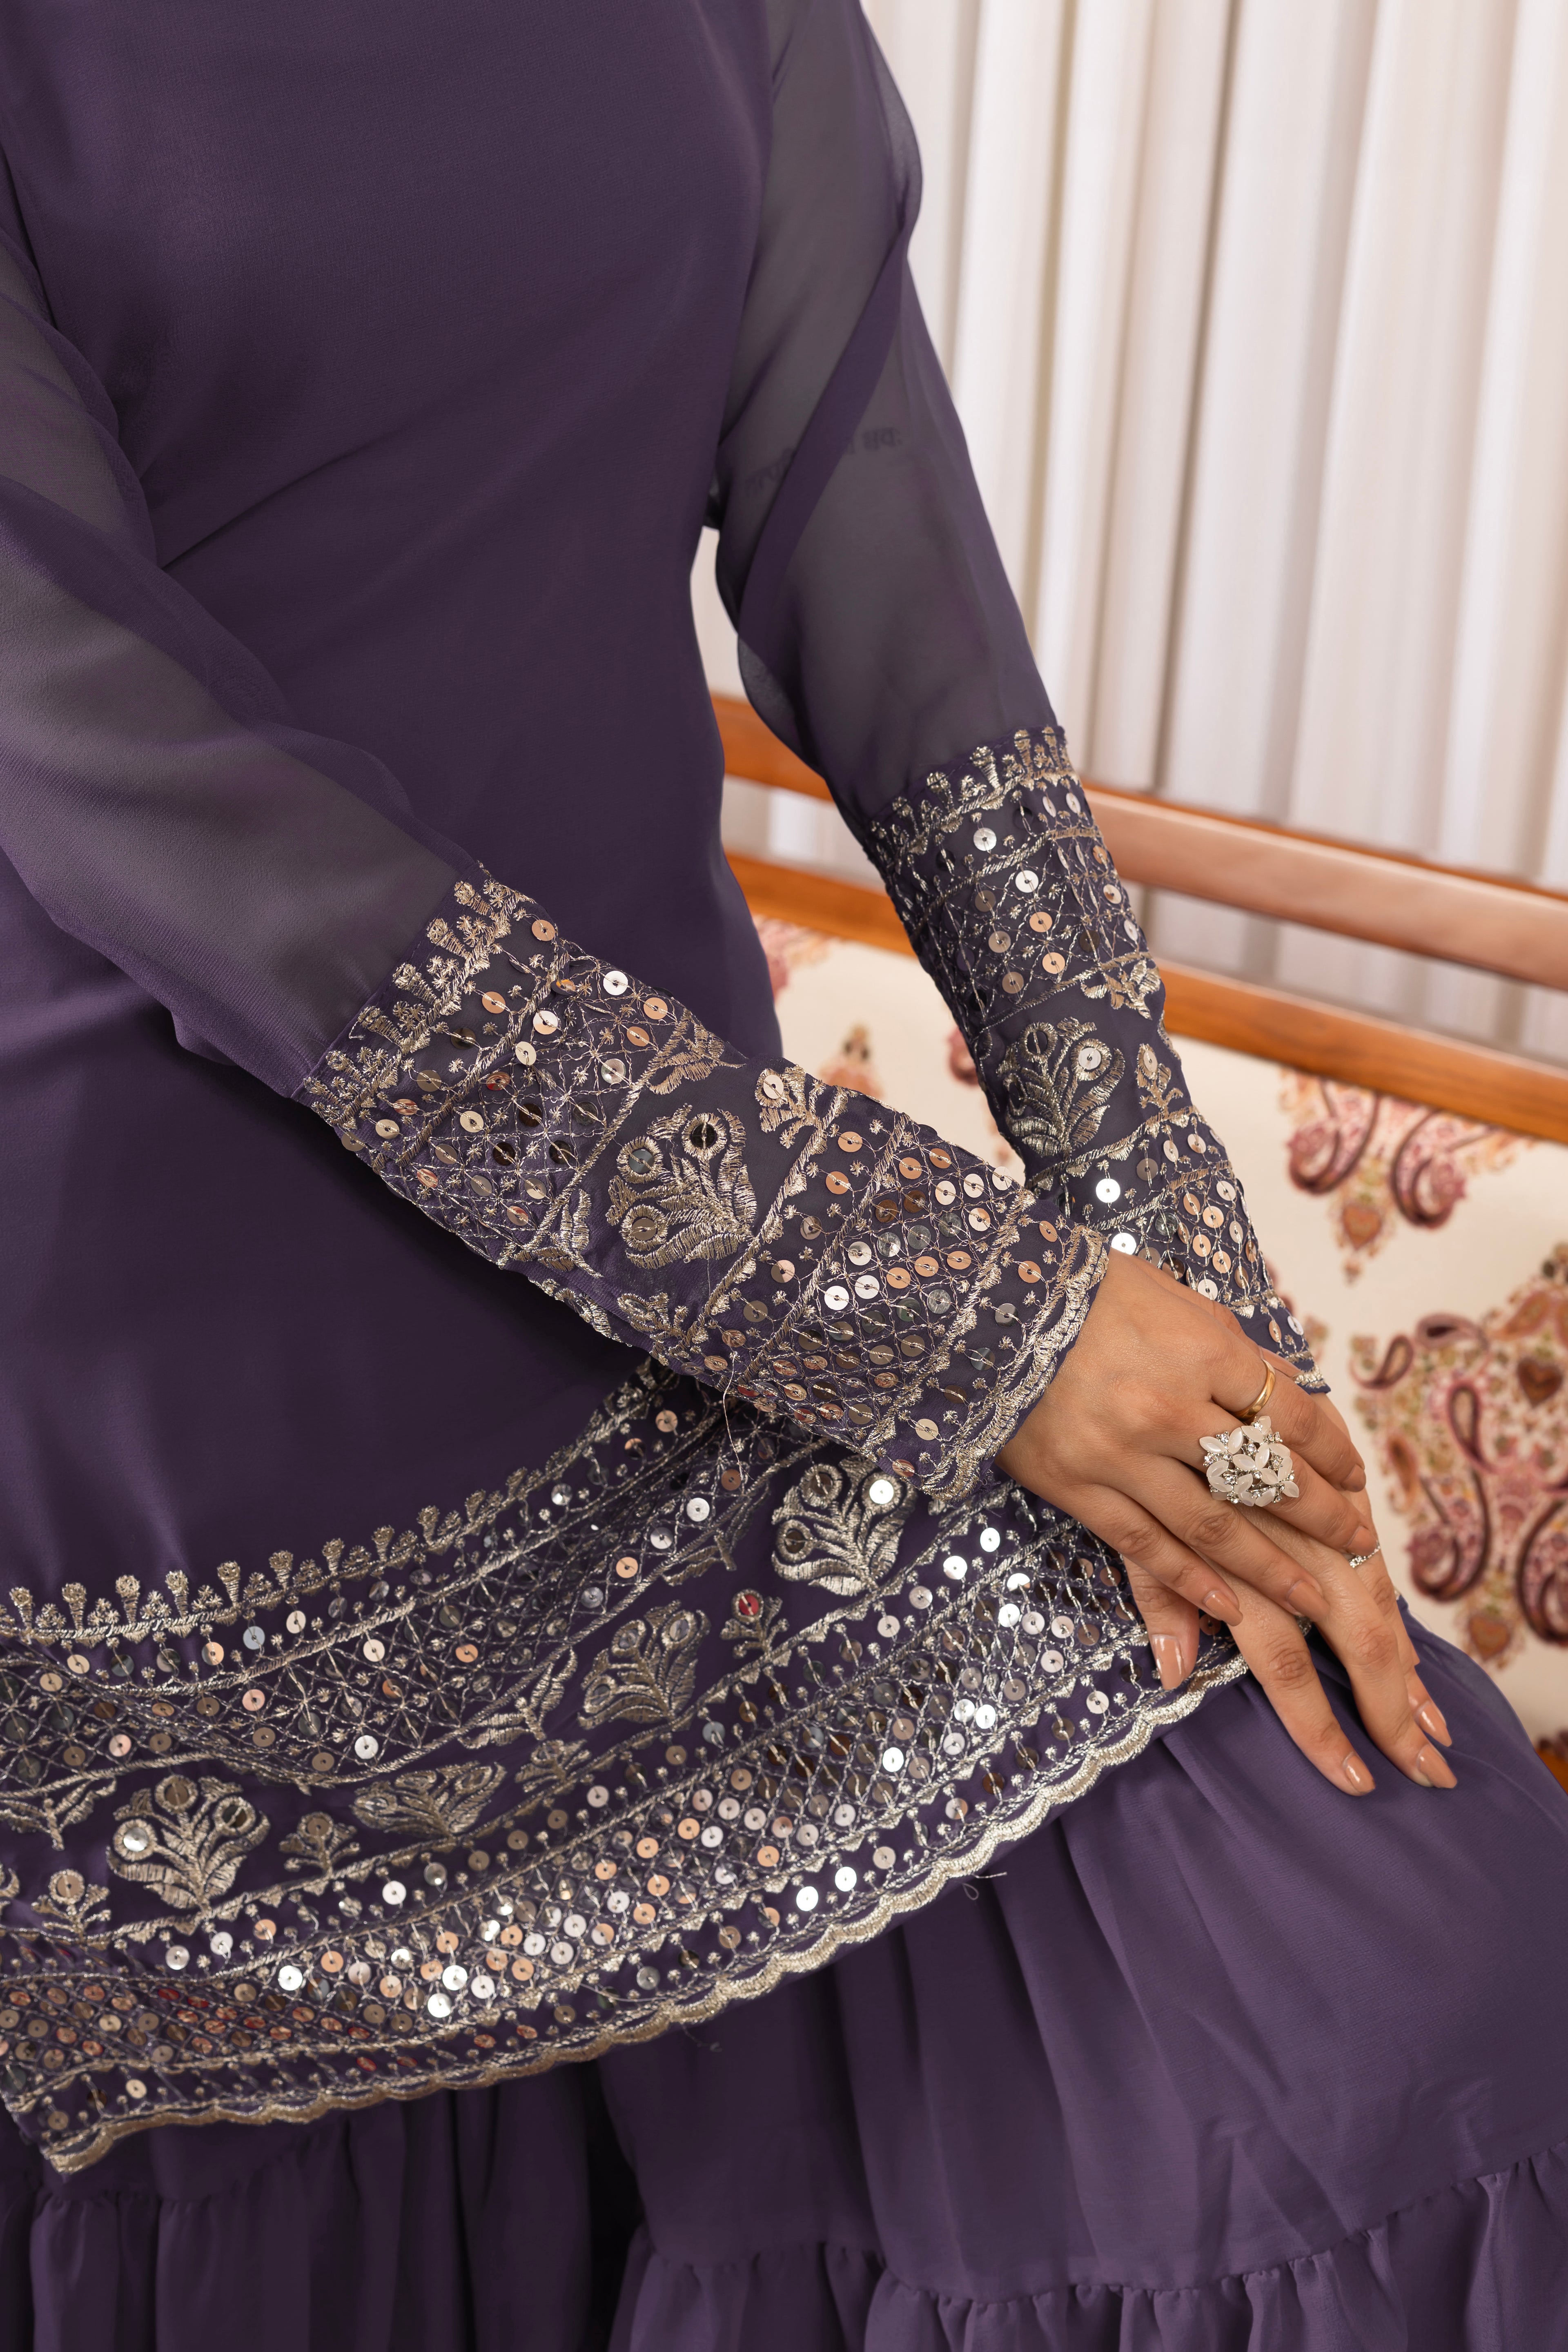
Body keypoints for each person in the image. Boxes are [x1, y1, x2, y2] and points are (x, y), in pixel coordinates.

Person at [0, 3, 1562, 2343]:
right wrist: (972, 1314)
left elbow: (894, 597)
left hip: (690, 1320)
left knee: (1416, 1971)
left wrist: (1161, 1283)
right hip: (175, 1343)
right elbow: (101, 747)